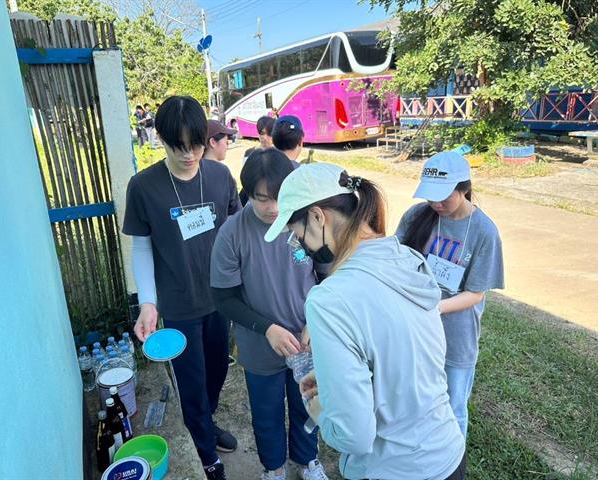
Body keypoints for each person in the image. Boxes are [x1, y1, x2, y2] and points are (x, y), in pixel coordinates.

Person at [264, 163, 466, 480]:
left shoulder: (329, 300)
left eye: (296, 234)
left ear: (318, 217)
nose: (300, 245)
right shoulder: (406, 260)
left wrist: (321, 408)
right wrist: (336, 377)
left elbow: (353, 436)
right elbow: (401, 358)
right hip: (449, 452)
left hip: (398, 469)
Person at [122, 95, 241, 480]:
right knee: (191, 382)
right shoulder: (143, 186)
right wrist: (148, 303)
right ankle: (207, 453)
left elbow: (237, 232)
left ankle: (205, 421)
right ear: (161, 138)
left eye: (196, 145)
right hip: (178, 304)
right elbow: (141, 247)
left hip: (221, 299)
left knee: (218, 372)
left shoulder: (221, 176)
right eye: (178, 146)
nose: (189, 154)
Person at [210, 149, 329, 480]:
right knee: (266, 414)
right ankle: (273, 468)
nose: (273, 208)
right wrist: (266, 329)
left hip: (307, 342)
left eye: (279, 198)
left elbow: (328, 275)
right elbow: (224, 297)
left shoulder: (306, 222)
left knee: (309, 403)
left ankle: (308, 461)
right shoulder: (233, 232)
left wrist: (314, 320)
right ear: (247, 192)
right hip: (260, 345)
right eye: (261, 199)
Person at [395, 151, 504, 439]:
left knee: (454, 404)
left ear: (464, 188)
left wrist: (434, 308)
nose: (436, 203)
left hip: (456, 334)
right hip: (415, 328)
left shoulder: (484, 231)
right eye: (431, 196)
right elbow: (397, 262)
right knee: (416, 398)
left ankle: (452, 464)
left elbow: (475, 294)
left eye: (444, 196)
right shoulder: (417, 216)